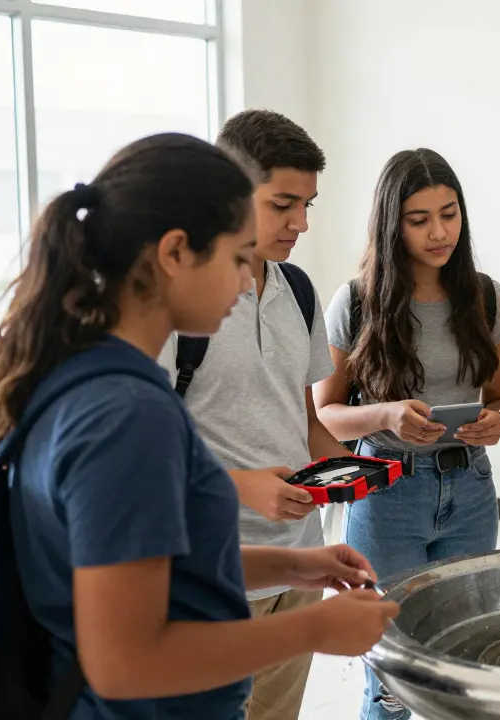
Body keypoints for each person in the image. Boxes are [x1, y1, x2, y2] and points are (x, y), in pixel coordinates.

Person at [0, 132, 398, 718]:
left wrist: (294, 565)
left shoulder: (84, 377)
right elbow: (125, 662)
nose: (247, 282)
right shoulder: (128, 417)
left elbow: (139, 561)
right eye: (238, 258)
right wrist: (313, 629)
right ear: (174, 253)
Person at [156, 110, 349, 720]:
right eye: (283, 204)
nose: (301, 224)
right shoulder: (177, 304)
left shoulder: (297, 289)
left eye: (308, 204)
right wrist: (241, 488)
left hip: (298, 557)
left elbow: (300, 408)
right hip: (211, 567)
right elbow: (147, 455)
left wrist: (341, 465)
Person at [313, 148, 500, 720]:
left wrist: (495, 421)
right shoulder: (355, 301)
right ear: (391, 223)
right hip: (387, 491)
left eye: (449, 214)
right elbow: (325, 415)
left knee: (461, 665)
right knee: (391, 678)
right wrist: (385, 415)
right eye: (419, 219)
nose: (439, 231)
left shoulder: (485, 295)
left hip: (470, 488)